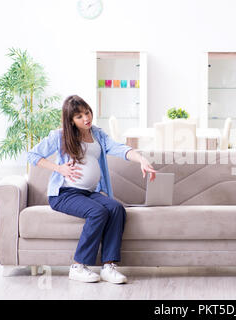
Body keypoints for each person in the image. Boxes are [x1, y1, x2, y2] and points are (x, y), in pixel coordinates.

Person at [27, 95, 157, 284]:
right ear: (71, 120)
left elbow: (119, 148)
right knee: (98, 212)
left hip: (88, 192)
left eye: (87, 112)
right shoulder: (60, 136)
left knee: (115, 208)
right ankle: (78, 266)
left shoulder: (97, 134)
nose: (86, 118)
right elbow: (32, 155)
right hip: (64, 194)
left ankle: (109, 266)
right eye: (79, 116)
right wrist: (59, 168)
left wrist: (141, 159)